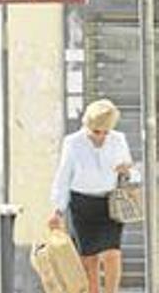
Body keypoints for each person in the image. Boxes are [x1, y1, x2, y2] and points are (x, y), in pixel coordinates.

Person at [48, 98, 136, 293]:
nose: (101, 136)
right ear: (87, 125)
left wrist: (127, 171)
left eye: (106, 132)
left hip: (109, 204)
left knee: (112, 254)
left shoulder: (118, 139)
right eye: (97, 132)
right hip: (82, 205)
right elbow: (63, 177)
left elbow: (132, 172)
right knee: (89, 258)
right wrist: (57, 210)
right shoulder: (72, 143)